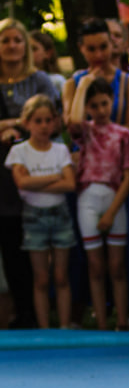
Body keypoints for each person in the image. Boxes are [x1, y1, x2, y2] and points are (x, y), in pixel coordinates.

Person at [0, 17, 61, 330]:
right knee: (10, 242)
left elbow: (54, 119)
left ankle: (42, 316)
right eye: (5, 40)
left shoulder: (40, 80)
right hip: (3, 178)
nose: (11, 46)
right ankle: (19, 312)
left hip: (38, 171)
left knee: (40, 245)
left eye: (17, 40)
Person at [68, 75, 129, 331]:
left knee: (117, 266)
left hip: (114, 198)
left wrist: (111, 211)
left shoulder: (123, 134)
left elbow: (128, 175)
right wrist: (83, 84)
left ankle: (121, 320)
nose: (99, 110)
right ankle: (101, 323)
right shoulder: (84, 132)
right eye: (93, 105)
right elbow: (73, 121)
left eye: (104, 103)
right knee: (95, 266)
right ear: (87, 107)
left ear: (113, 102)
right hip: (87, 197)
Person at [5, 95, 76, 329]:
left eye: (48, 120)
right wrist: (56, 176)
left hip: (60, 214)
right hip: (33, 217)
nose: (44, 126)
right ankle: (45, 328)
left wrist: (37, 180)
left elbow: (69, 184)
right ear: (27, 123)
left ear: (55, 122)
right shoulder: (19, 151)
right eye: (38, 121)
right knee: (41, 278)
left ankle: (64, 327)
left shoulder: (60, 149)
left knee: (61, 276)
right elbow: (22, 183)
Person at [62, 18, 129, 129]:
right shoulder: (72, 85)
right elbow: (73, 126)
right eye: (91, 49)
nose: (98, 55)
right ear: (81, 49)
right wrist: (83, 87)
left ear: (111, 44)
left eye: (103, 47)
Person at [28, 30, 66, 96]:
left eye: (34, 49)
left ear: (47, 53)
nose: (28, 53)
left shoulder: (57, 81)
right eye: (26, 49)